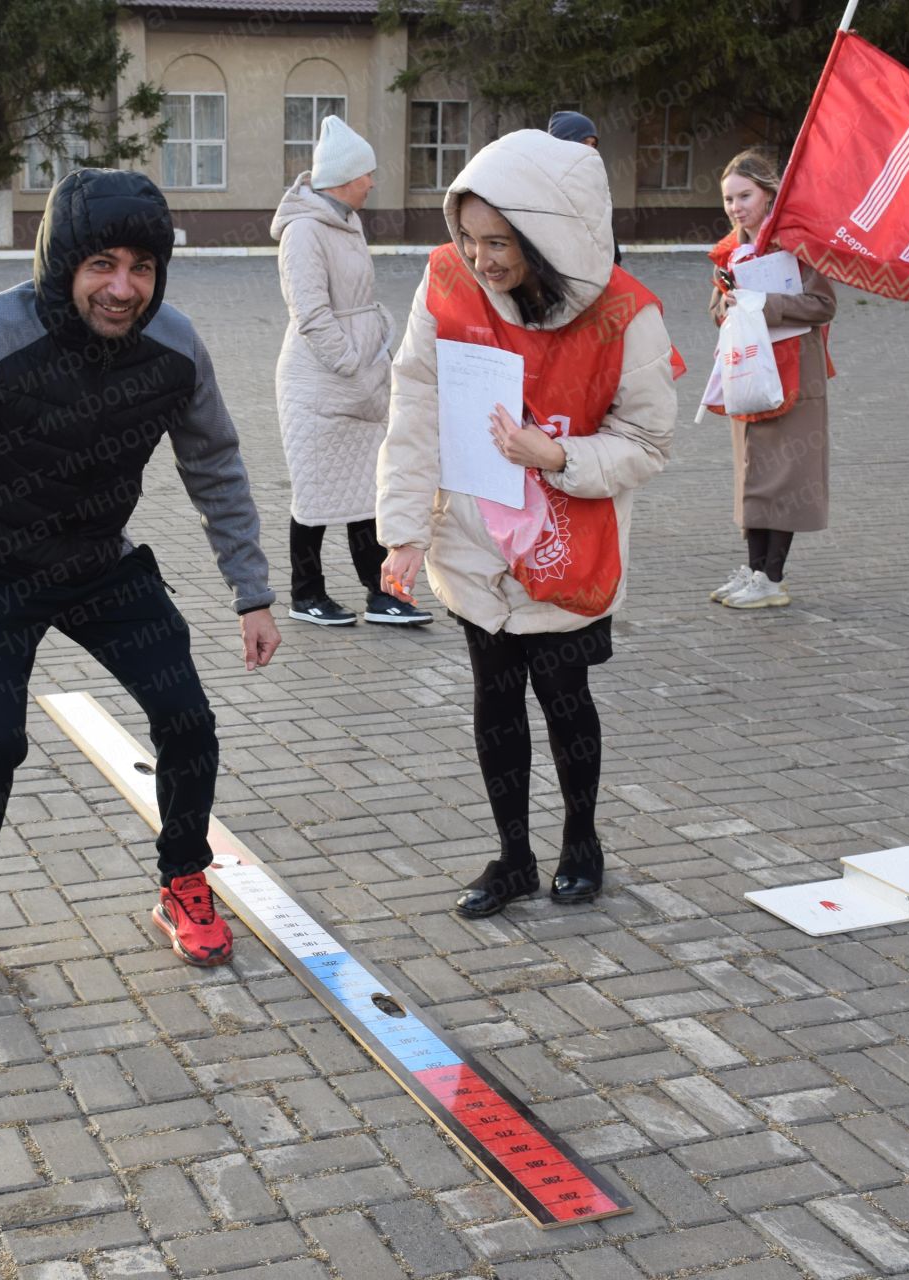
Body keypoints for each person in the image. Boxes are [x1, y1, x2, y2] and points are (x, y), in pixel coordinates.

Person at [0, 169, 281, 1010]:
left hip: (100, 567)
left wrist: (251, 592)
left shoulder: (176, 346)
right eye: (103, 266)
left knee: (187, 717)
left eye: (142, 269)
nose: (123, 288)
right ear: (64, 264)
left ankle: (183, 878)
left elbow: (216, 466)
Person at [378, 130, 679, 918]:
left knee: (564, 693)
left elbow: (648, 441)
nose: (482, 260)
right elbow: (415, 407)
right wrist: (403, 529)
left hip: (570, 546)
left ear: (550, 236)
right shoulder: (445, 282)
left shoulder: (626, 314)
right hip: (475, 540)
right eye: (470, 239)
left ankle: (582, 841)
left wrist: (558, 456)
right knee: (494, 695)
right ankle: (512, 854)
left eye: (501, 242)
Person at [272, 116, 427, 627]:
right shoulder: (303, 231)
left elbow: (356, 301)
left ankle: (380, 594)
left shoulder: (347, 220)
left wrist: (374, 348)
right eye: (368, 174)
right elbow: (311, 313)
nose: (373, 182)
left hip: (362, 378)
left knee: (367, 490)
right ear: (344, 176)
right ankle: (305, 594)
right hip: (318, 384)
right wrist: (349, 364)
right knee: (314, 494)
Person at [705, 148, 836, 610]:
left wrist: (763, 302)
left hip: (797, 371)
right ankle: (755, 569)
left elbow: (824, 305)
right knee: (753, 473)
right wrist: (728, 303)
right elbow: (717, 308)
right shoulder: (731, 249)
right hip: (748, 369)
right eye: (728, 199)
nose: (736, 207)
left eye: (745, 196)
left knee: (786, 475)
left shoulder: (797, 245)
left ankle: (772, 577)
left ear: (768, 195)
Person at [547, 111, 624, 268]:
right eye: (584, 142)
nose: (590, 149)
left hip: (594, 273)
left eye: (593, 144)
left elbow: (608, 235)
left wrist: (615, 266)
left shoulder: (596, 183)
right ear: (563, 143)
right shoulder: (542, 183)